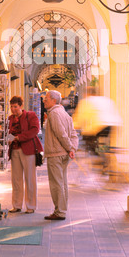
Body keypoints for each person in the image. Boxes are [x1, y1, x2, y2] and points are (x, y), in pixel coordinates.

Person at [43, 90, 79, 220]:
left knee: (56, 183)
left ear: (54, 100)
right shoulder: (65, 114)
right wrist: (72, 148)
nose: (44, 100)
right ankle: (61, 210)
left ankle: (60, 212)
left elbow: (61, 133)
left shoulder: (54, 114)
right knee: (62, 182)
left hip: (55, 154)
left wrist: (70, 147)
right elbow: (73, 134)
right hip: (63, 154)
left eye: (46, 98)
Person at [8, 95, 43, 214]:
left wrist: (19, 137)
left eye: (16, 107)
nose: (13, 109)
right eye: (11, 107)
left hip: (28, 150)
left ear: (21, 106)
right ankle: (16, 205)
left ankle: (31, 206)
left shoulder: (30, 115)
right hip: (14, 150)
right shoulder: (10, 118)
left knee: (30, 178)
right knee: (16, 179)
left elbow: (35, 130)